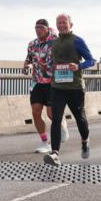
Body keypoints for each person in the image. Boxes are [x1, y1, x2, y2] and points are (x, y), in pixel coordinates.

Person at [43, 13, 95, 166]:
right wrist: (50, 68)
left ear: (70, 25)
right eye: (59, 23)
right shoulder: (54, 42)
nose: (61, 25)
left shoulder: (77, 41)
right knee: (56, 119)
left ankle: (85, 141)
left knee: (80, 118)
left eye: (64, 23)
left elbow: (92, 60)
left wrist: (78, 66)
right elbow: (54, 62)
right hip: (57, 87)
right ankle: (55, 154)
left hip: (75, 87)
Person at [24, 18, 67, 153]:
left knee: (51, 114)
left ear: (47, 28)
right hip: (37, 82)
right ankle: (44, 142)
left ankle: (61, 123)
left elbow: (63, 59)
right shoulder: (32, 44)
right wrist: (26, 66)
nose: (38, 30)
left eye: (41, 28)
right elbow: (29, 59)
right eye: (36, 28)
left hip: (52, 83)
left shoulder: (56, 42)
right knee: (36, 111)